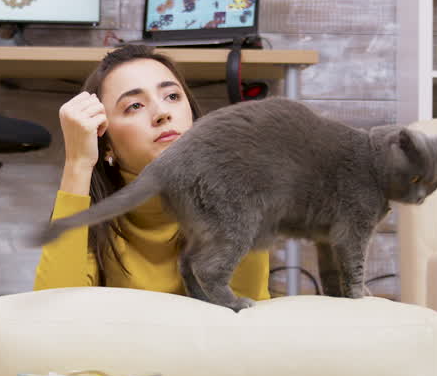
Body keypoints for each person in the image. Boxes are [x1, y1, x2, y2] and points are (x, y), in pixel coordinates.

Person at [33, 43, 271, 299]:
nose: (162, 113)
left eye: (172, 96)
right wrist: (78, 163)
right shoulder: (95, 224)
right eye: (134, 105)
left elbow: (246, 314)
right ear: (107, 145)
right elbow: (52, 313)